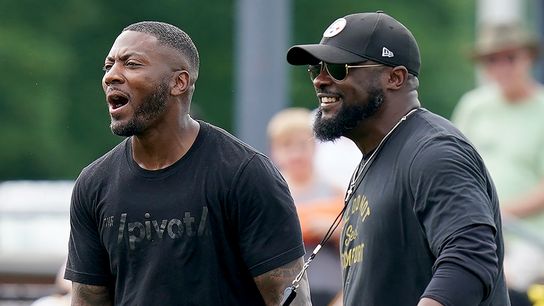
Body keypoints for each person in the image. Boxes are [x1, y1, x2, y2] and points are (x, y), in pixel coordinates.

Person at [64, 21, 311, 305]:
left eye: (131, 64)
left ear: (178, 82)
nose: (111, 77)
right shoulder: (94, 184)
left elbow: (290, 298)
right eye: (108, 66)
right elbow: (88, 299)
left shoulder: (245, 174)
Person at [286, 11, 511, 306]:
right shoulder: (375, 158)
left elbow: (470, 259)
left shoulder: (434, 151)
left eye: (339, 68)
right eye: (317, 68)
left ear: (395, 77)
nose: (321, 80)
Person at [451, 22, 544, 293]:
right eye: (492, 60)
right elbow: (454, 167)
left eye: (510, 57)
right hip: (475, 228)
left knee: (495, 280)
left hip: (529, 235)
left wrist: (498, 212)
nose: (501, 67)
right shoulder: (473, 106)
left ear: (528, 56)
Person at [267, 107, 344, 306]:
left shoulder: (335, 191)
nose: (296, 154)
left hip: (334, 292)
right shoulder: (269, 194)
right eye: (287, 146)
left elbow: (358, 237)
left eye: (303, 145)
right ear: (274, 151)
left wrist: (334, 229)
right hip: (285, 293)